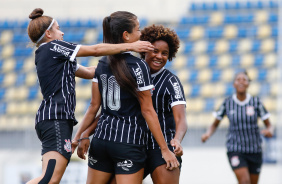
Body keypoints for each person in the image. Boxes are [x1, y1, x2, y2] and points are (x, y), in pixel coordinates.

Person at [26, 8, 154, 184]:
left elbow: (89, 72)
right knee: (50, 178)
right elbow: (95, 50)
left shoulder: (54, 56)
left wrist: (117, 68)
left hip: (51, 119)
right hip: (56, 118)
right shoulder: (53, 46)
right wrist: (130, 46)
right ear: (48, 33)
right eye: (58, 28)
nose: (62, 32)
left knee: (51, 178)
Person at [72, 11, 179, 184]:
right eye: (137, 29)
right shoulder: (139, 66)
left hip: (101, 141)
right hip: (127, 143)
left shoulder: (102, 63)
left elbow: (94, 106)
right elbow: (147, 110)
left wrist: (79, 137)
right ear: (126, 35)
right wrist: (164, 149)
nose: (141, 33)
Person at [201, 71, 274, 184]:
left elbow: (269, 124)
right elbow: (215, 123)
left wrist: (270, 131)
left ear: (248, 83)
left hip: (255, 150)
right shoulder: (227, 103)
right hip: (235, 149)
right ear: (234, 84)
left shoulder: (256, 102)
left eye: (244, 79)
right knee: (244, 181)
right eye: (238, 79)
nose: (241, 82)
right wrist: (208, 134)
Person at [140, 24, 187, 184]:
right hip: (133, 146)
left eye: (165, 53)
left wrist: (177, 140)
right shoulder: (131, 75)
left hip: (162, 149)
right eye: (155, 51)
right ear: (144, 49)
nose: (159, 56)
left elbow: (181, 119)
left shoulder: (171, 81)